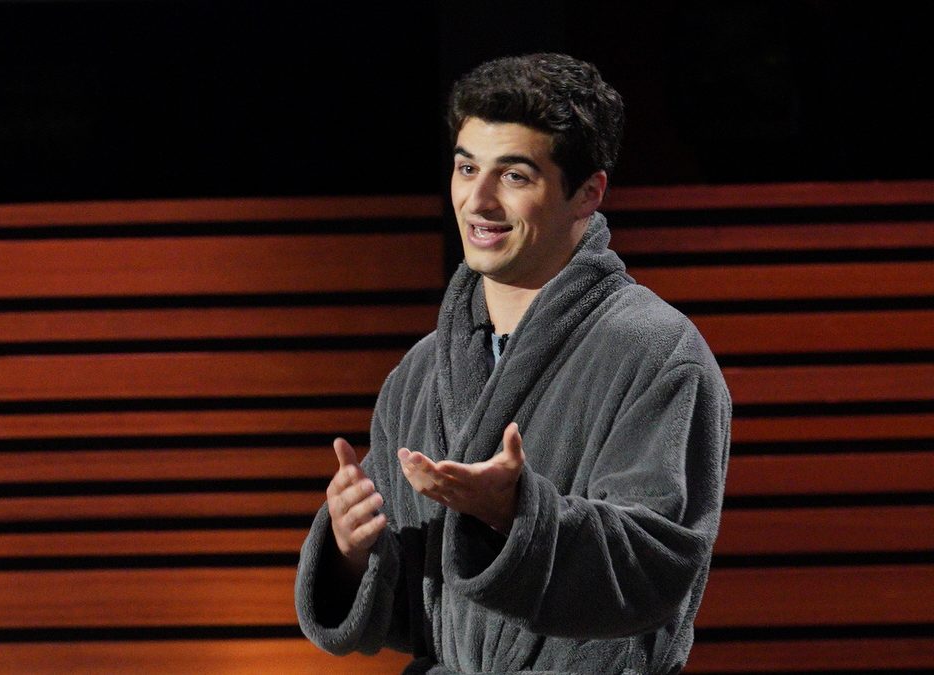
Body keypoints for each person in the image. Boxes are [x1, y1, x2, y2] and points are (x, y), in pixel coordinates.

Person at [294, 53, 731, 674]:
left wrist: (516, 515)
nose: (479, 200)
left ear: (588, 193)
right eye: (467, 167)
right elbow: (424, 611)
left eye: (515, 176)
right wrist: (353, 547)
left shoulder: (656, 353)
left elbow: (656, 567)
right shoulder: (421, 373)